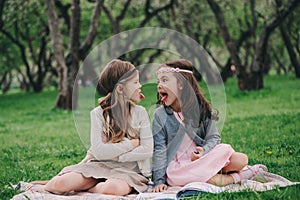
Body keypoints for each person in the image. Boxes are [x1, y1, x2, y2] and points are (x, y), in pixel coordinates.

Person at [151, 59, 267, 192]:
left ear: (181, 84)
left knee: (241, 159)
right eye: (158, 81)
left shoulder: (200, 109)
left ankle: (214, 172)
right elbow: (159, 149)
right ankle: (243, 175)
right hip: (179, 167)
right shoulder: (160, 115)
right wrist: (158, 181)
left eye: (165, 80)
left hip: (203, 158)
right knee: (208, 180)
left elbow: (214, 137)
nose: (159, 85)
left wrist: (203, 151)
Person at [39, 59, 153, 195]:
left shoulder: (140, 112)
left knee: (112, 189)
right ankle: (88, 183)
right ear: (120, 89)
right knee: (59, 184)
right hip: (99, 165)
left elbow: (147, 149)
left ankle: (89, 188)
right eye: (135, 82)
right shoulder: (98, 114)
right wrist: (131, 144)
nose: (140, 86)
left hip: (128, 170)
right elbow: (99, 152)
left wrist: (117, 157)